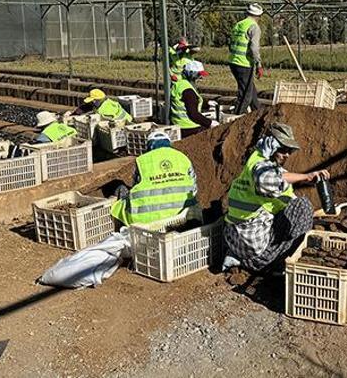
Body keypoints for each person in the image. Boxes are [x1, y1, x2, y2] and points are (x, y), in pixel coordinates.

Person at [223, 123, 328, 273]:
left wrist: (303, 180)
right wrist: (306, 176)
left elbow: (281, 180)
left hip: (236, 242)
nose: (287, 154)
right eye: (283, 149)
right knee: (303, 206)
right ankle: (286, 263)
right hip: (258, 255)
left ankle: (238, 257)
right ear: (272, 146)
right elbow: (267, 180)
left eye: (290, 151)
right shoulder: (260, 167)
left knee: (294, 206)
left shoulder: (256, 162)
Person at [110, 131, 198, 226]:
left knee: (120, 193)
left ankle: (119, 229)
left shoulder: (142, 160)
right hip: (184, 216)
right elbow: (194, 188)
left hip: (146, 220)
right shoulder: (183, 158)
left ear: (150, 146)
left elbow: (135, 188)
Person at [228, 3, 264, 115]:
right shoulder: (254, 27)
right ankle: (236, 117)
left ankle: (258, 113)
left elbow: (230, 44)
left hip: (233, 62)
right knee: (245, 96)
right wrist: (259, 64)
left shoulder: (239, 24)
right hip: (244, 64)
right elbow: (254, 48)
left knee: (250, 89)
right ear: (258, 16)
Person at [171, 60, 218, 138]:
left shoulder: (180, 84)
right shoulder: (188, 91)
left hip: (178, 124)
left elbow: (188, 103)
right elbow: (193, 114)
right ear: (191, 74)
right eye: (198, 75)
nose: (201, 77)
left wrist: (207, 104)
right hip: (189, 127)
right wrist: (210, 123)